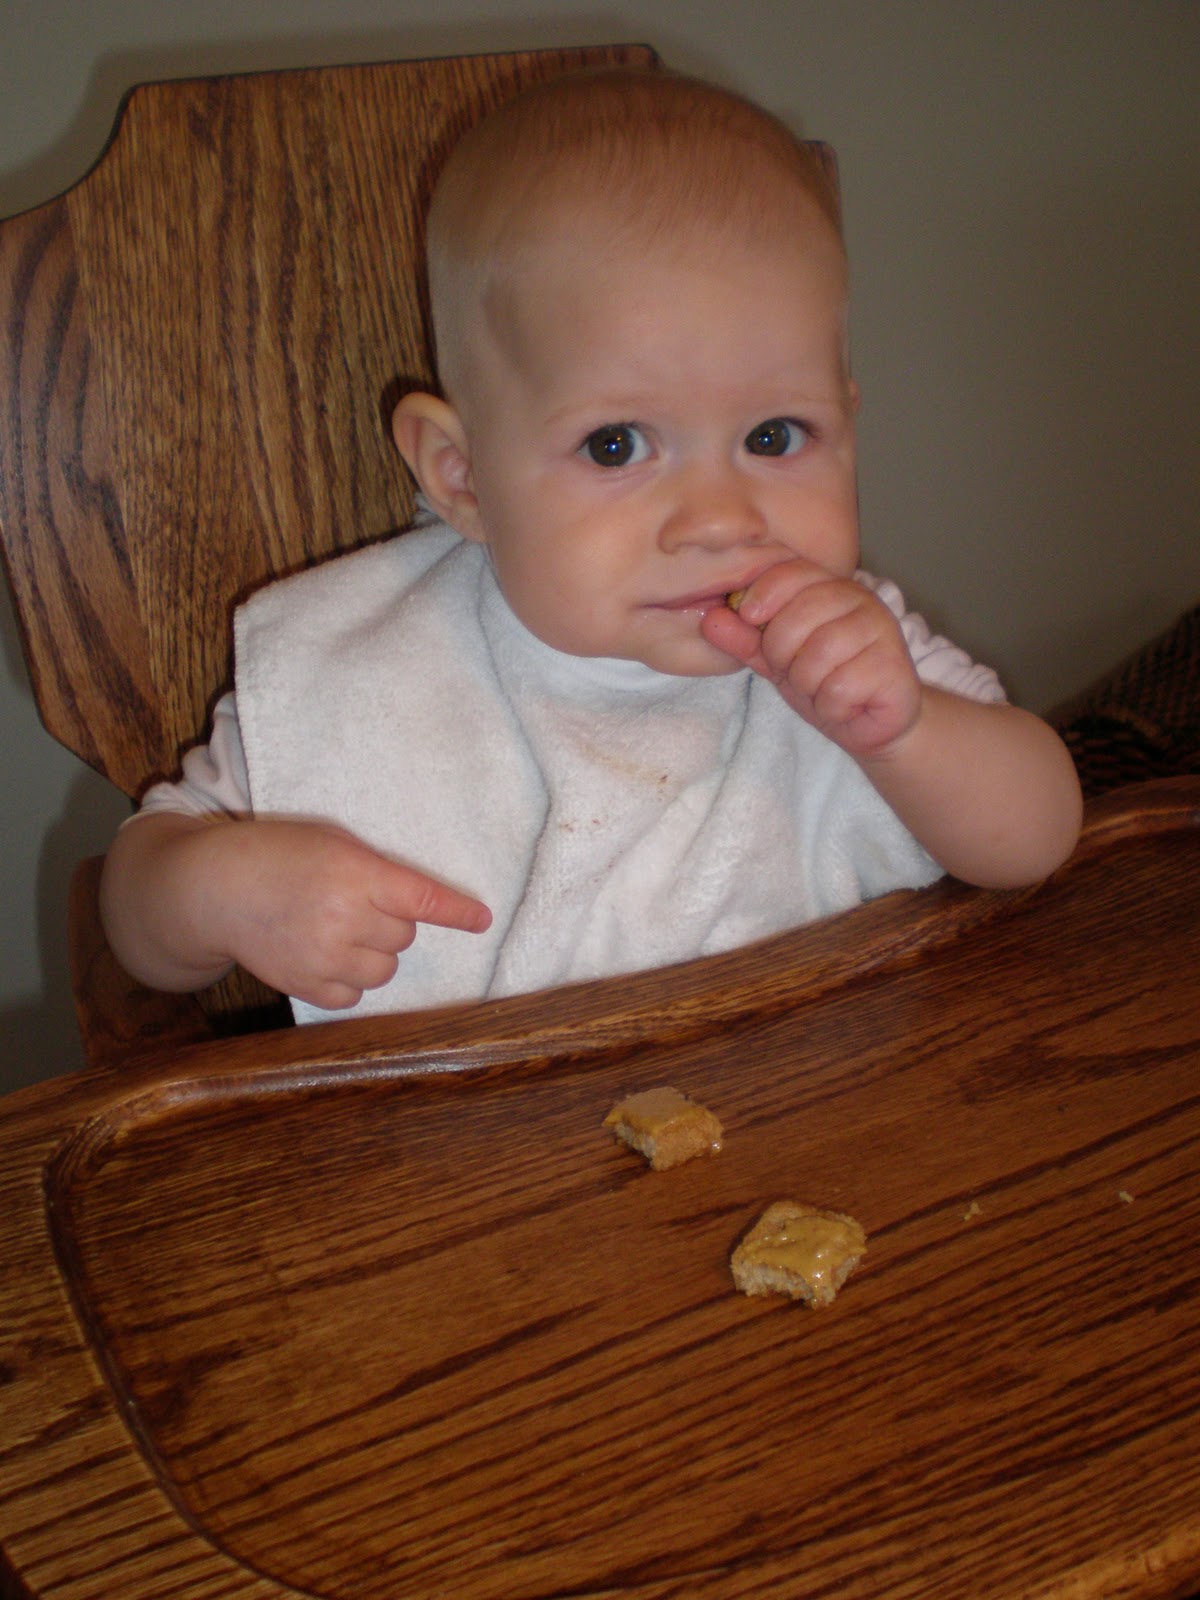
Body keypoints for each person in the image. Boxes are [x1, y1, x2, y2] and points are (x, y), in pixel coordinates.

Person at [99, 67, 1083, 1024]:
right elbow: (135, 912)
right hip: (484, 1170)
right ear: (461, 475)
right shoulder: (364, 663)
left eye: (774, 436)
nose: (718, 518)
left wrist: (905, 737)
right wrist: (218, 890)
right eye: (616, 445)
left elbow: (1039, 835)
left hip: (825, 1123)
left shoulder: (853, 652)